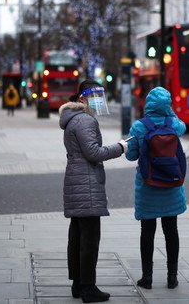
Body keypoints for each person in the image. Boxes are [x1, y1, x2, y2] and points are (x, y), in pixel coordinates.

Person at [59, 79, 129, 303]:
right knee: (90, 240)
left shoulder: (73, 119)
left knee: (77, 237)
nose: (98, 102)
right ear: (82, 99)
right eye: (95, 97)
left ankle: (78, 284)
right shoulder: (86, 121)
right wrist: (120, 147)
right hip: (86, 184)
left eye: (101, 97)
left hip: (76, 182)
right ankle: (88, 288)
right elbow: (94, 153)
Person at [124, 87, 187, 290]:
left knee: (147, 232)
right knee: (171, 231)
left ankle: (147, 277)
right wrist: (170, 113)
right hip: (171, 185)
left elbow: (131, 156)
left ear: (148, 104)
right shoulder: (174, 124)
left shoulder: (139, 127)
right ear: (167, 106)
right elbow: (183, 126)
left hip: (148, 185)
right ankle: (172, 277)